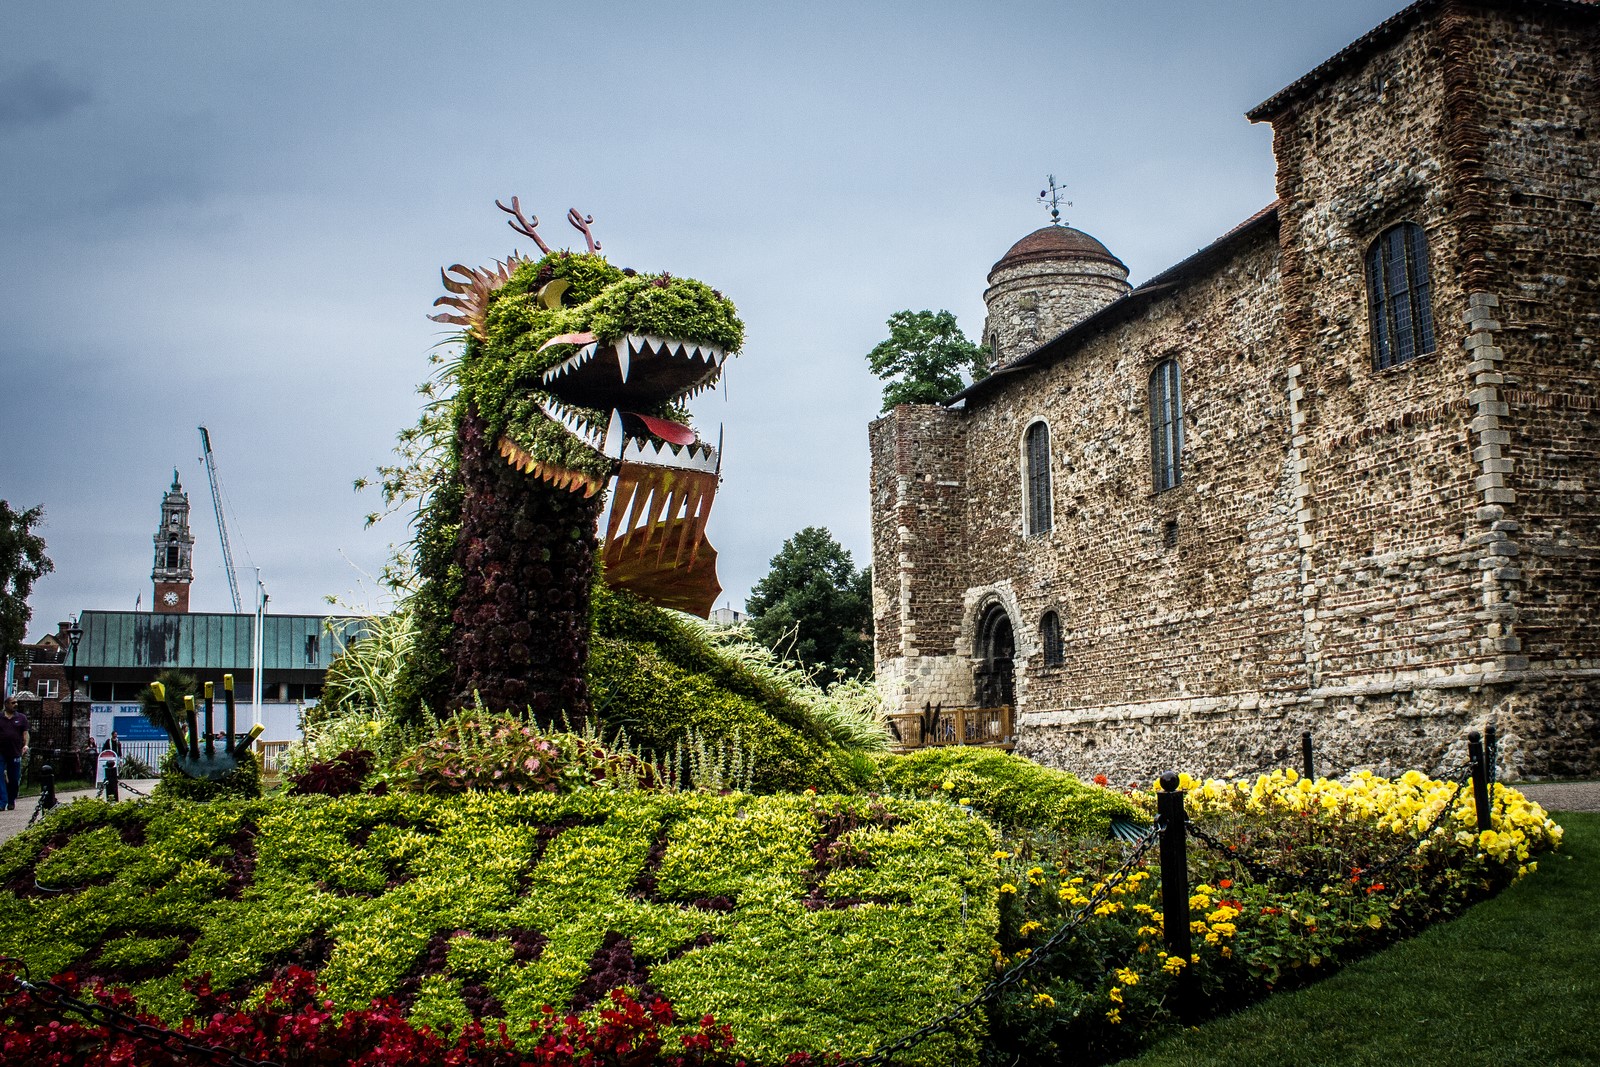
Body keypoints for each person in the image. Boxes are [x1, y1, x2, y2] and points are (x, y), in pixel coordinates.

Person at [0, 695, 30, 811]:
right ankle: (2, 802)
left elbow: (25, 734)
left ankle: (11, 800)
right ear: (6, 705)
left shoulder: (21, 718)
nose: (15, 705)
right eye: (12, 703)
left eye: (16, 702)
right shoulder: (0, 717)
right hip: (1, 751)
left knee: (14, 778)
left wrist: (26, 745)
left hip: (15, 751)